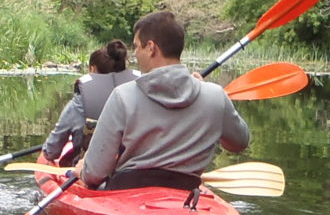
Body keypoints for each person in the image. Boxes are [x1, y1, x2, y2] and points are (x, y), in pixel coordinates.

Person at [77, 10, 250, 191]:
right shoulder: (215, 96)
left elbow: (94, 174)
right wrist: (211, 103)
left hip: (126, 195)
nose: (135, 54)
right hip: (186, 195)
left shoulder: (122, 96)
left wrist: (82, 170)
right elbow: (239, 143)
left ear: (151, 47)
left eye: (137, 47)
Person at [43, 40, 135, 165]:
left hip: (90, 172)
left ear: (92, 69)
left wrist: (47, 153)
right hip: (133, 167)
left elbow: (52, 151)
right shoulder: (139, 93)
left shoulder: (79, 103)